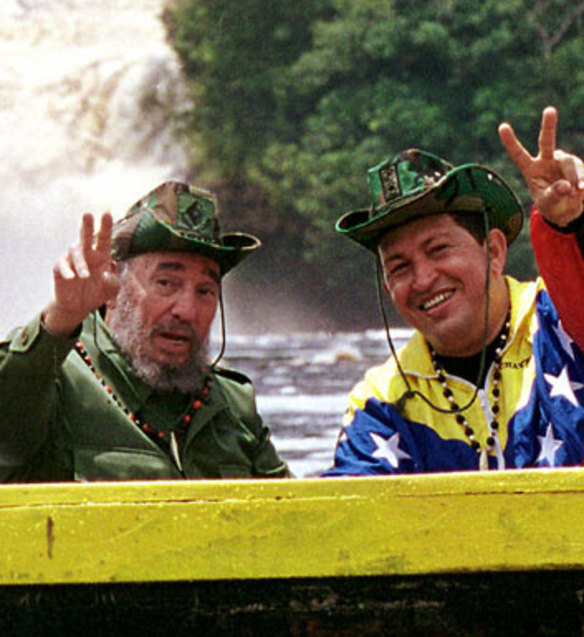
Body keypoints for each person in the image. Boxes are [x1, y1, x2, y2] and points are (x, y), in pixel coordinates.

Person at [324, 107, 584, 476]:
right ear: (387, 287)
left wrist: (573, 224)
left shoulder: (564, 320)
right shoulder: (380, 402)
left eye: (438, 250)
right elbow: (350, 509)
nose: (423, 279)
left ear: (493, 250)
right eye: (400, 267)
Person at [0, 181, 290, 481]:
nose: (187, 310)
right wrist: (62, 318)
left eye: (205, 291)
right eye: (166, 283)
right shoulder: (53, 379)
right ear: (113, 290)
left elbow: (294, 514)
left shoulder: (233, 405)